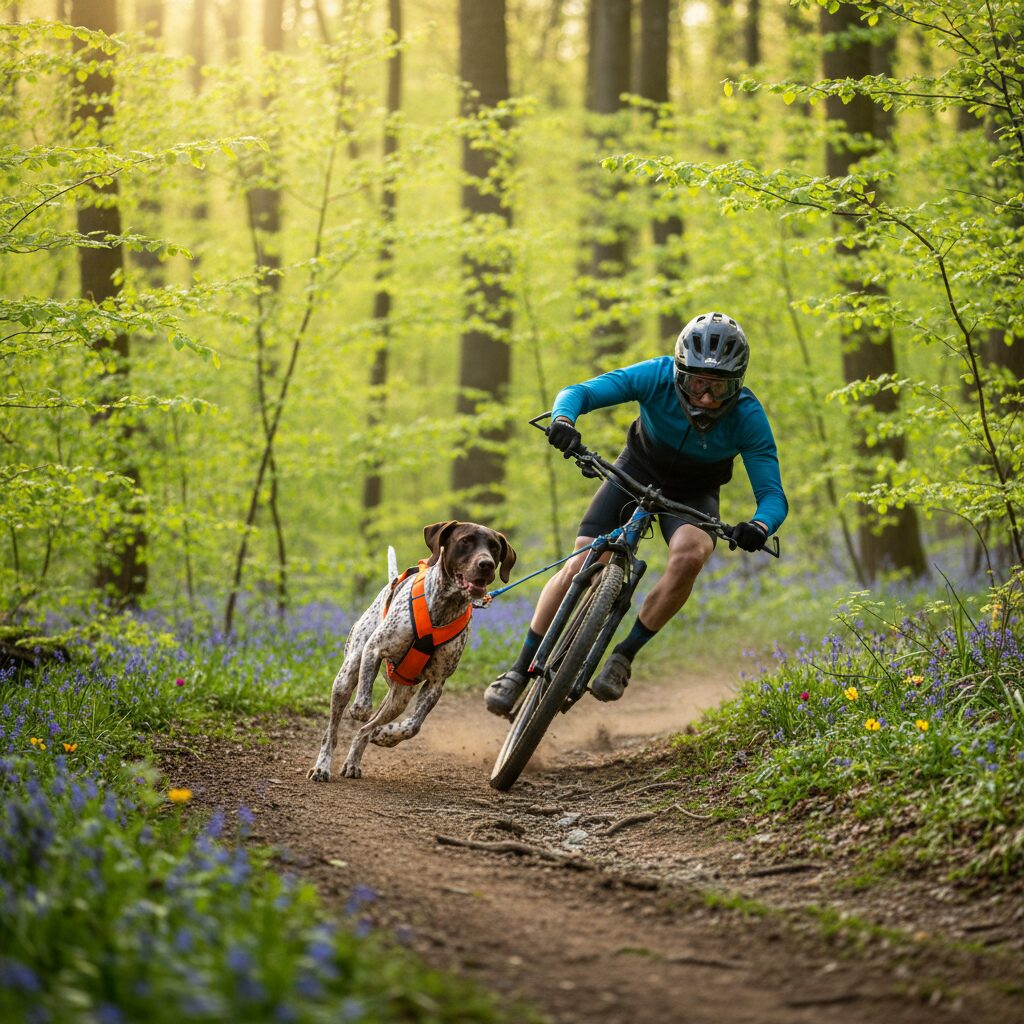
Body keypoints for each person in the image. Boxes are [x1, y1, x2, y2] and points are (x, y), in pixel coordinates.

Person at [484, 310, 788, 716]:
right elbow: (580, 392)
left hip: (695, 491)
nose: (707, 398)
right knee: (581, 561)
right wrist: (563, 421)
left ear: (739, 383)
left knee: (691, 554)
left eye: (720, 388)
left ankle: (625, 654)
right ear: (681, 373)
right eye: (699, 383)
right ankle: (520, 669)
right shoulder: (656, 376)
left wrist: (759, 525)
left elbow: (772, 495)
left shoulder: (748, 416)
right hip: (635, 468)